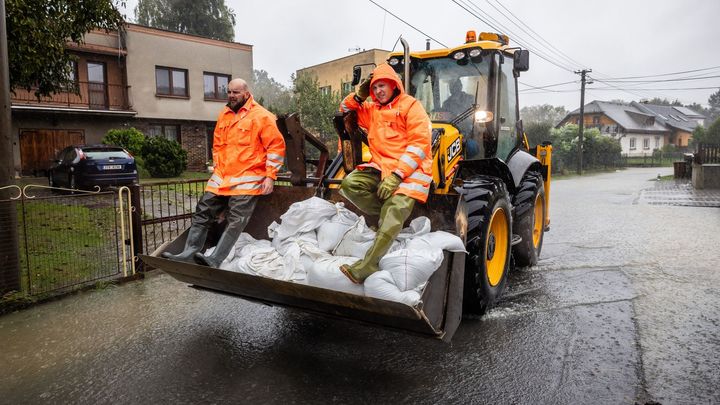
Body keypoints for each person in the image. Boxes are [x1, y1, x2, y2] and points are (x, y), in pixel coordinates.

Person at [163, 78, 286, 268]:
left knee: (236, 220)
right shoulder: (225, 114)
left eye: (235, 92)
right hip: (222, 177)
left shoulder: (262, 116)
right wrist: (217, 169)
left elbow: (276, 147)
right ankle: (189, 253)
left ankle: (215, 259)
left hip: (248, 177)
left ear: (246, 93)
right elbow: (218, 146)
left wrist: (270, 176)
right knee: (203, 211)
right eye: (228, 92)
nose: (231, 96)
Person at [337, 63, 433, 284]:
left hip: (411, 173)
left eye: (383, 86)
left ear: (394, 86)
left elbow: (420, 145)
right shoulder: (372, 110)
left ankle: (368, 265)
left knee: (393, 211)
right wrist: (358, 96)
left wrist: (398, 176)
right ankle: (388, 221)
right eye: (375, 87)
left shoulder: (411, 106)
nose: (379, 91)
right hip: (382, 168)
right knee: (350, 184)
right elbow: (343, 112)